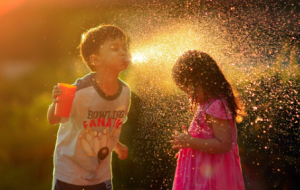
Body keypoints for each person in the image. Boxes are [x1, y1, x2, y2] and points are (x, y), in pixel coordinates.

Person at [47, 25, 132, 190]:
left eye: (125, 47)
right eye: (115, 48)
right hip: (69, 171)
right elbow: (53, 120)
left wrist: (117, 145)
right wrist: (57, 102)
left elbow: (108, 125)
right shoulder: (80, 92)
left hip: (100, 173)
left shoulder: (125, 93)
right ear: (96, 60)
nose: (123, 52)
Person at [170, 50, 245, 190]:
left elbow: (224, 144)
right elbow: (204, 137)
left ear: (204, 81)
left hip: (213, 176)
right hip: (200, 172)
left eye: (189, 90)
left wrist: (191, 142)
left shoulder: (217, 106)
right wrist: (188, 147)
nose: (188, 96)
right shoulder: (205, 104)